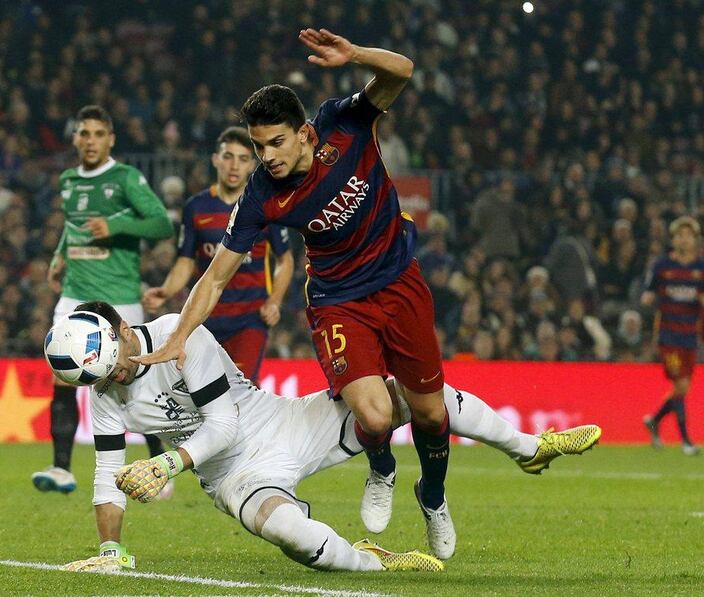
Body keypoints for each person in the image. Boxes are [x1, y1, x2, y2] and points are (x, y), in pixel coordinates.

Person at [129, 28, 599, 559]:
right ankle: (381, 468)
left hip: (400, 282)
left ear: (305, 133)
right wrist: (180, 336)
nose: (267, 157)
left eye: (276, 143)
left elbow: (402, 70)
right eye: (259, 147)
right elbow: (214, 276)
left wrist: (355, 55)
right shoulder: (262, 192)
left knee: (428, 413)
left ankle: (434, 496)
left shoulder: (345, 122)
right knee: (374, 416)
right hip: (337, 300)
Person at [50, 301, 600, 573]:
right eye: (100, 379)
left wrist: (170, 465)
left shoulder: (177, 333)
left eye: (113, 366)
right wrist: (111, 548)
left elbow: (225, 423)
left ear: (122, 331)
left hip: (279, 422)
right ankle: (376, 560)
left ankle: (531, 448)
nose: (114, 379)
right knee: (296, 539)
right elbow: (106, 471)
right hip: (233, 479)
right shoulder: (104, 391)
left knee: (406, 395)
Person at [32, 105, 175, 493]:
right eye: (84, 133)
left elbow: (161, 223)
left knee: (133, 383)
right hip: (75, 294)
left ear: (110, 138)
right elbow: (72, 226)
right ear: (75, 138)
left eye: (98, 133)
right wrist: (60, 254)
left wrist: (115, 225)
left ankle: (156, 469)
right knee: (62, 374)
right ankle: (61, 467)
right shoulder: (68, 180)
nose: (90, 140)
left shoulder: (126, 178)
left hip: (119, 298)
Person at [142, 127, 294, 380]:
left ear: (251, 165)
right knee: (201, 393)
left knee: (240, 390)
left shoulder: (266, 205)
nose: (234, 166)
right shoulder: (196, 207)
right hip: (205, 317)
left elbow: (285, 260)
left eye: (243, 159)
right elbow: (185, 261)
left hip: (250, 319)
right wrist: (166, 290)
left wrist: (275, 301)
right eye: (228, 156)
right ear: (215, 160)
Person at [641, 216, 703, 456]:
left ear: (695, 240)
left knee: (682, 389)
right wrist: (649, 298)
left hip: (690, 336)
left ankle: (654, 421)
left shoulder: (700, 268)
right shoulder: (662, 266)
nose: (683, 240)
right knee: (681, 385)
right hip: (668, 336)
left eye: (688, 235)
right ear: (673, 239)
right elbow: (647, 293)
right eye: (679, 235)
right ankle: (686, 441)